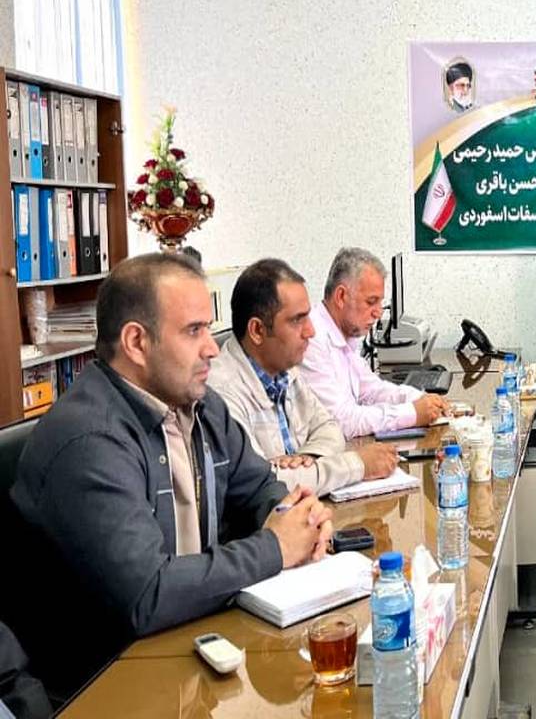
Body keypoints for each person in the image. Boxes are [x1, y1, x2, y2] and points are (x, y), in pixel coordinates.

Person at [10, 253, 332, 701]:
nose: (213, 348)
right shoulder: (89, 441)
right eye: (194, 330)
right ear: (136, 342)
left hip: (193, 647)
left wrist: (299, 516)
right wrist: (276, 547)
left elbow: (259, 486)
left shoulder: (201, 405)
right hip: (108, 686)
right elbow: (148, 594)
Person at [208, 258, 398, 496]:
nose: (310, 331)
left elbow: (329, 426)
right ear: (257, 330)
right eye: (297, 320)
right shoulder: (221, 394)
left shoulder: (285, 370)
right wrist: (357, 465)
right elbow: (264, 484)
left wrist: (308, 458)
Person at [301, 247, 449, 437]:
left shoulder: (346, 334)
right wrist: (412, 413)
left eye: (380, 302)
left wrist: (420, 399)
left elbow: (372, 391)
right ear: (341, 296)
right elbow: (341, 422)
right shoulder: (311, 339)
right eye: (371, 302)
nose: (378, 313)